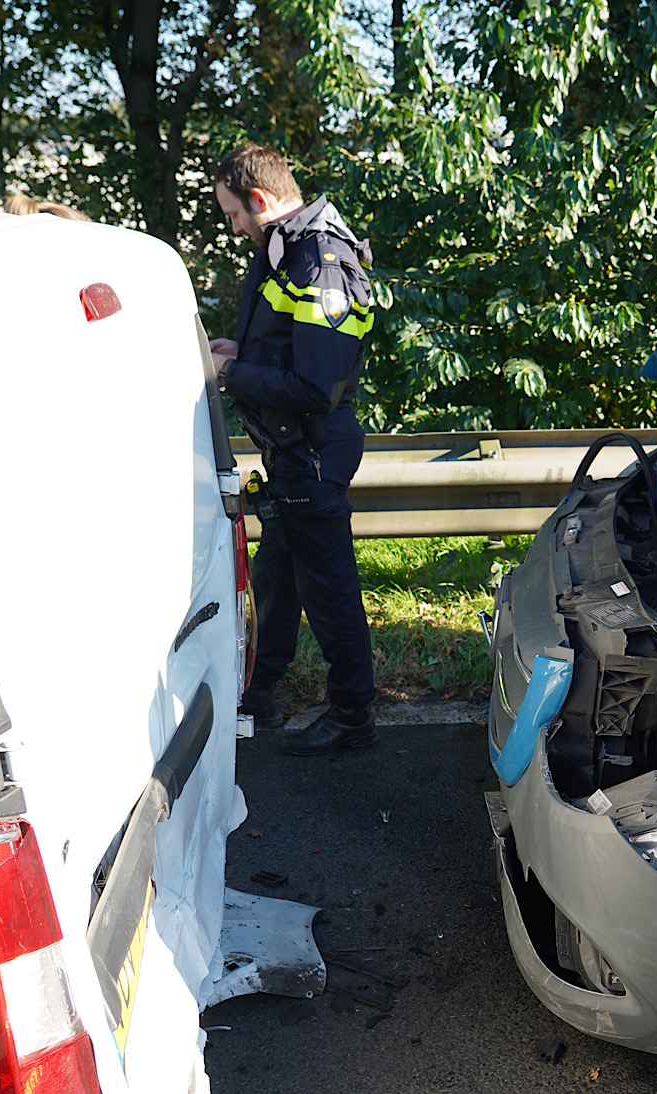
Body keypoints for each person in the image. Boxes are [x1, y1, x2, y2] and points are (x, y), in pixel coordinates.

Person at [209, 144, 378, 754]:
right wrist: (240, 356)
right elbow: (289, 351)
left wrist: (232, 377)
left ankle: (353, 715)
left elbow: (317, 385)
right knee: (278, 582)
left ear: (259, 200)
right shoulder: (287, 249)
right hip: (288, 454)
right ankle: (260, 697)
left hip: (312, 454)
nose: (233, 228)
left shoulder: (320, 260)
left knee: (329, 593)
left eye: (233, 216)